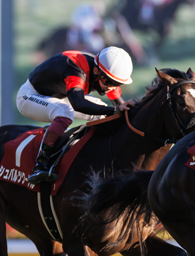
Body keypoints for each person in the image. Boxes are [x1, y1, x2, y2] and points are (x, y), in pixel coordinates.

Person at [17, 46, 135, 185]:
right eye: (108, 82)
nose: (110, 87)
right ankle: (41, 164)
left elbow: (119, 106)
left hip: (61, 96)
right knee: (65, 112)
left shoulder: (104, 72)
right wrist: (114, 111)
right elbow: (78, 104)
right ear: (96, 70)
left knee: (103, 112)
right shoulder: (75, 68)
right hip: (30, 96)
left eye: (117, 84)